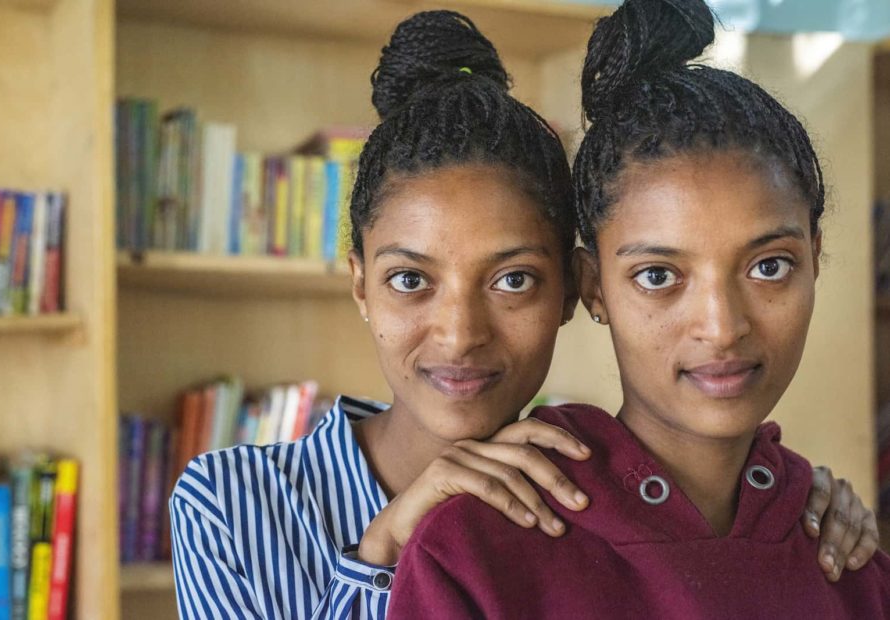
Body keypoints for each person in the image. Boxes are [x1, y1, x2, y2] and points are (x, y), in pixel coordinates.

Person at [169, 9, 880, 620]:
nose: (460, 334)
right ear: (360, 283)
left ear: (575, 290)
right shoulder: (234, 502)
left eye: (513, 280)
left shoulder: (576, 476)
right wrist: (385, 545)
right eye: (411, 279)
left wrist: (783, 502)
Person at [386, 1, 889, 618]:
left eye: (769, 267)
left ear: (815, 258)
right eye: (658, 275)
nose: (722, 326)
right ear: (591, 286)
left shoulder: (849, 562)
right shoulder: (474, 551)